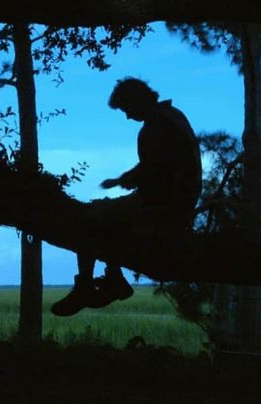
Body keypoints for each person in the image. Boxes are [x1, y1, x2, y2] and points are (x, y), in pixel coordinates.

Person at [51, 77, 202, 317]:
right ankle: (112, 279)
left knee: (89, 217)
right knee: (107, 212)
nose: (127, 116)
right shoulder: (172, 116)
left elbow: (156, 171)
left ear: (137, 100)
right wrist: (124, 180)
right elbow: (156, 165)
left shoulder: (155, 127)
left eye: (126, 109)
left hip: (165, 205)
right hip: (177, 201)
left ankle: (89, 286)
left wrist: (128, 181)